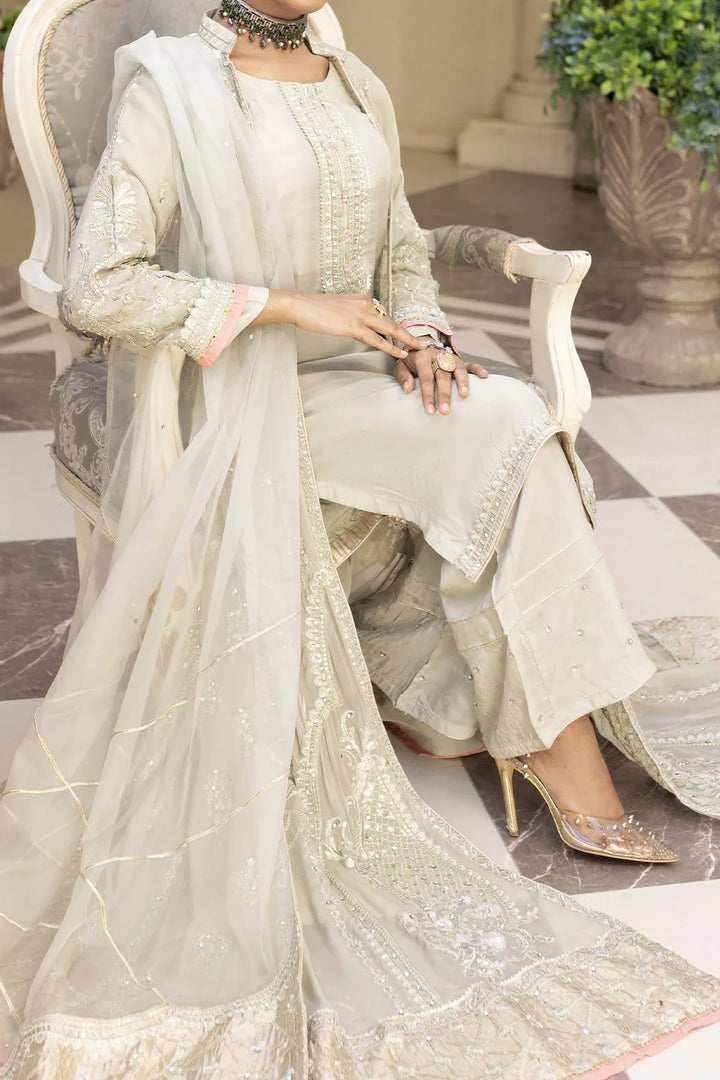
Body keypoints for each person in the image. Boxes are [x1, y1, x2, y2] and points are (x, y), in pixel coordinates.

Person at [1, 3, 719, 1076]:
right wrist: (292, 307)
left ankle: (517, 717)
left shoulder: (352, 79)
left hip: (358, 380)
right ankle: (546, 743)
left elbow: (402, 257)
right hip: (235, 389)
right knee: (508, 434)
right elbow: (104, 285)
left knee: (505, 420)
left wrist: (423, 338)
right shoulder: (171, 83)